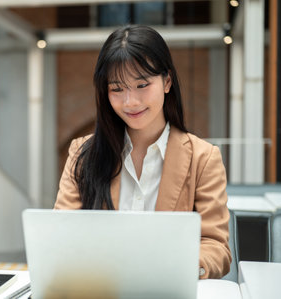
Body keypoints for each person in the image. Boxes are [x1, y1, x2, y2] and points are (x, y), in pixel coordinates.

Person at [54, 25, 231, 279]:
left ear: (167, 82)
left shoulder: (203, 158)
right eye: (117, 89)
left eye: (142, 85)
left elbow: (216, 247)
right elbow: (61, 235)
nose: (130, 102)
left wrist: (179, 266)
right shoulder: (83, 154)